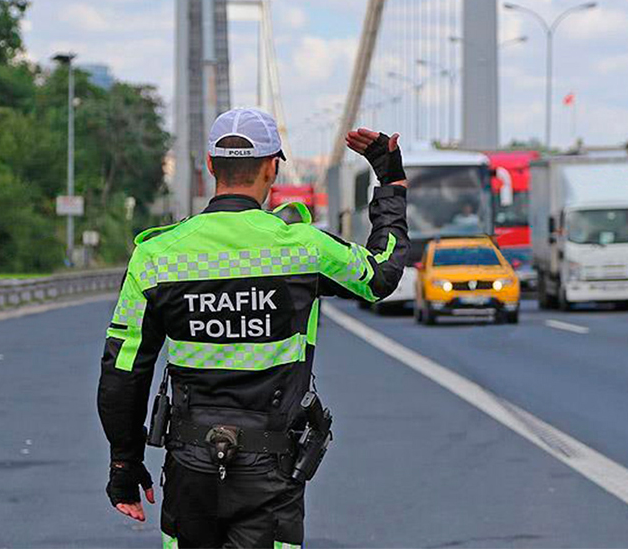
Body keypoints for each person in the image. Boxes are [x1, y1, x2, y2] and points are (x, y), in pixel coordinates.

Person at [96, 108, 409, 548]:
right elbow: (382, 274)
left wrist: (124, 465)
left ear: (210, 167)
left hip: (190, 466)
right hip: (272, 469)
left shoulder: (157, 256)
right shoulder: (303, 248)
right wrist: (390, 182)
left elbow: (123, 371)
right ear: (271, 167)